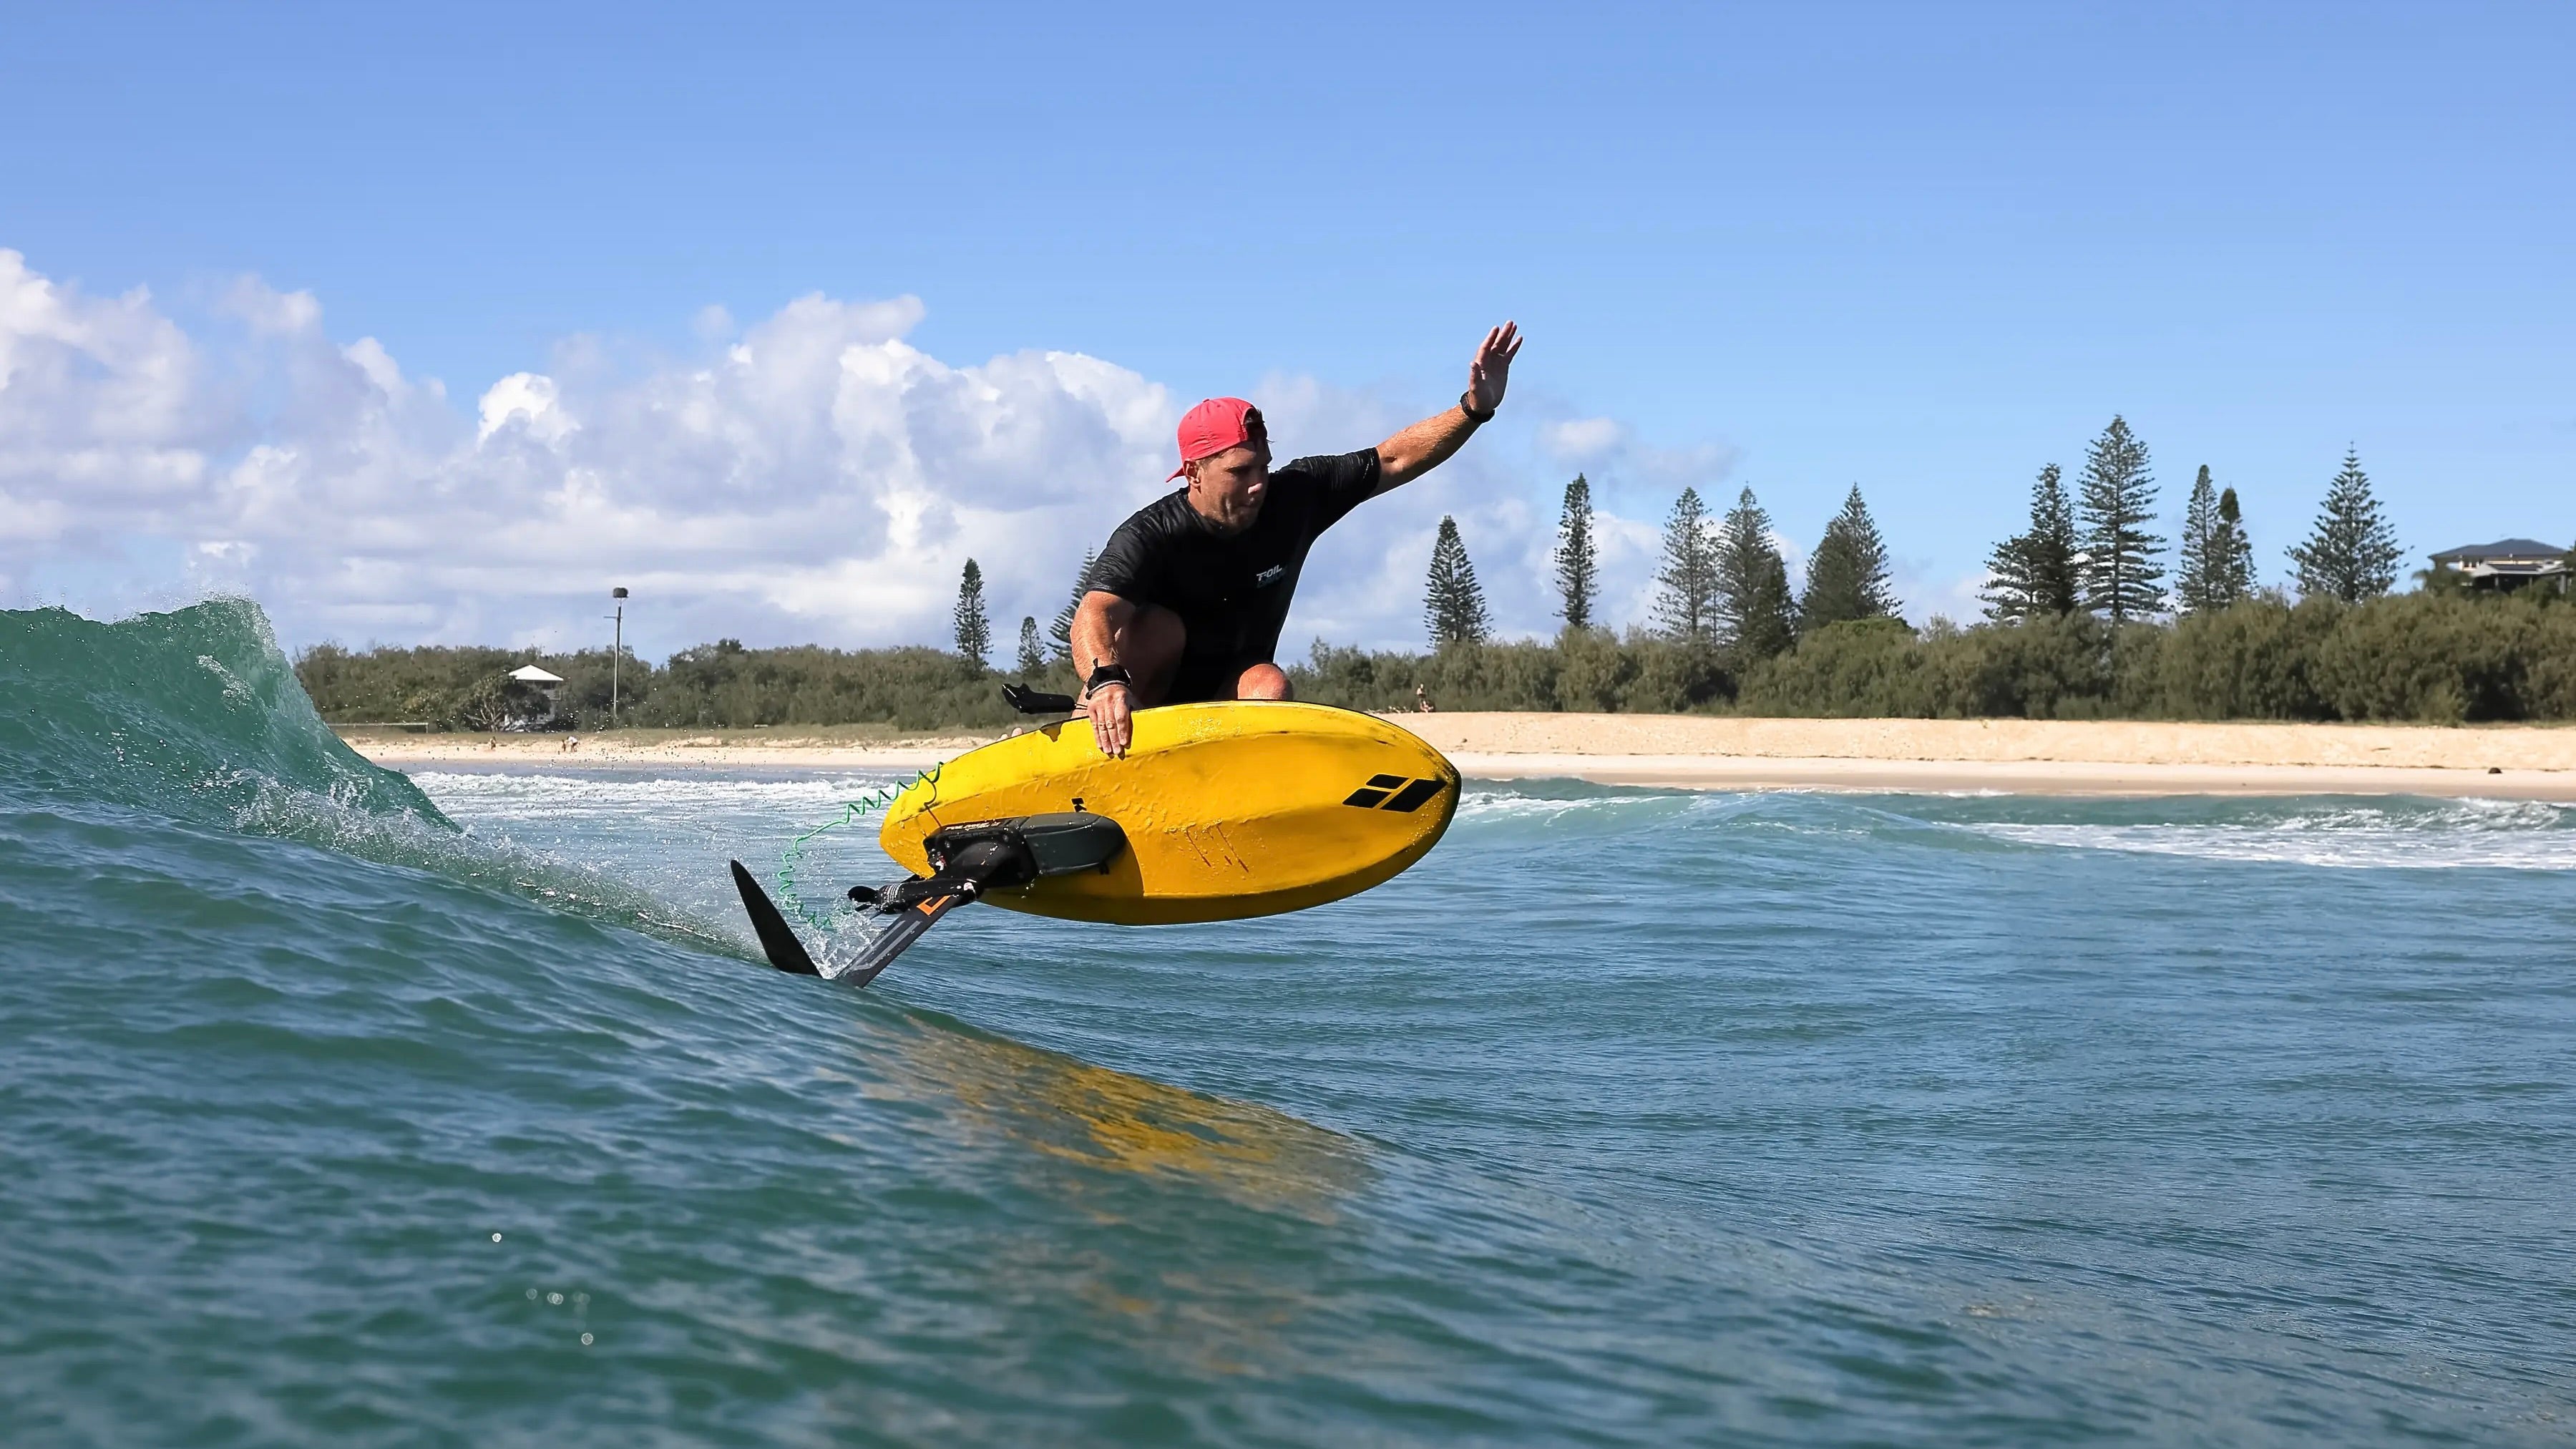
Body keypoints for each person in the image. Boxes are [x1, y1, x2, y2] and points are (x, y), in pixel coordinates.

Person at [1071, 321, 1521, 756]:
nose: (1258, 484)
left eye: (1263, 466)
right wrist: (1106, 680)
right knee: (1159, 629)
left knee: (1271, 687)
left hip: (1226, 700)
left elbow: (1394, 459)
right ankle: (1085, 741)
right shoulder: (1151, 533)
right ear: (1193, 473)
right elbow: (1094, 613)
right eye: (1239, 471)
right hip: (1139, 708)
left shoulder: (1296, 497)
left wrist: (1474, 409)